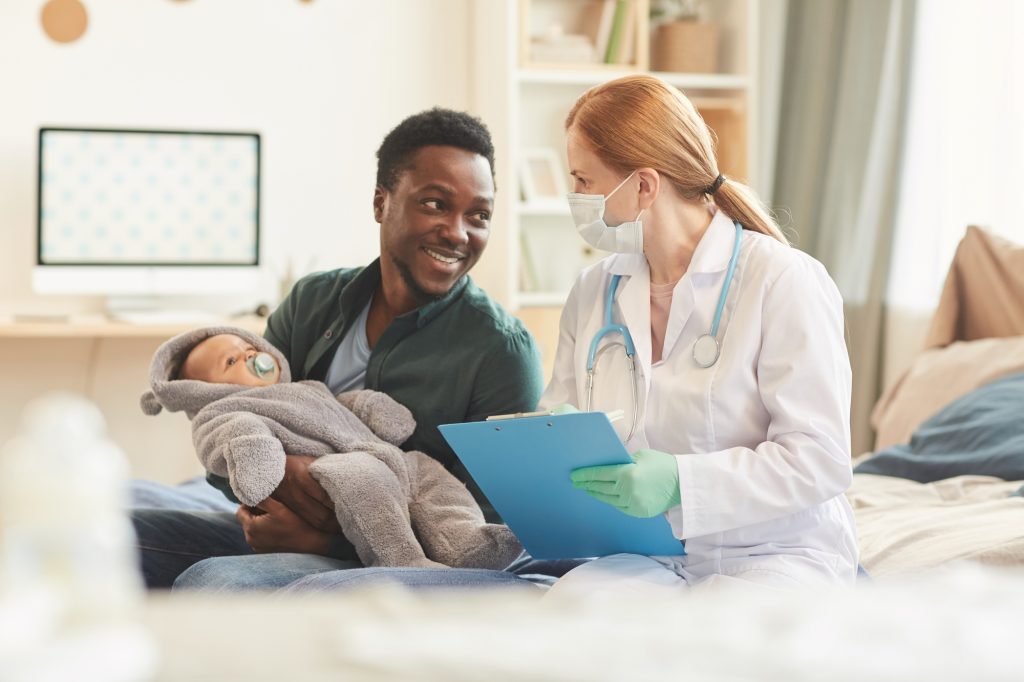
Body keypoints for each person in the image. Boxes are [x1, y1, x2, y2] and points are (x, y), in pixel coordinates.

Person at [132, 108, 551, 591]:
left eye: (478, 215)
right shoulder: (313, 301)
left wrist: (323, 541)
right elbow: (230, 414)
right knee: (113, 536)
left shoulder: (502, 350)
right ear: (381, 202)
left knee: (218, 582)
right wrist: (270, 488)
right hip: (276, 527)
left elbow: (484, 527)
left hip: (405, 556)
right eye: (435, 204)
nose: (458, 231)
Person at [540, 75, 858, 593]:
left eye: (582, 180)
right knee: (573, 616)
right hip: (645, 551)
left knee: (716, 644)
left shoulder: (782, 280)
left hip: (775, 551)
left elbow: (819, 460)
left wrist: (681, 484)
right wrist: (553, 443)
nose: (574, 196)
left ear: (643, 185)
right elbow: (563, 417)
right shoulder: (593, 290)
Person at [139, 327, 522, 571]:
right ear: (208, 390)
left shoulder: (306, 387)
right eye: (231, 361)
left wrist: (372, 407)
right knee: (365, 483)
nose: (251, 357)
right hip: (338, 469)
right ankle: (405, 562)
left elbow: (342, 403)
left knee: (435, 478)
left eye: (248, 347)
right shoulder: (228, 409)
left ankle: (469, 544)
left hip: (396, 459)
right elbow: (234, 437)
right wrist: (258, 456)